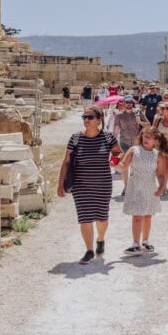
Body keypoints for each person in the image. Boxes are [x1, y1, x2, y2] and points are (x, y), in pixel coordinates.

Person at [58, 107, 122, 264]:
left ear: (99, 120)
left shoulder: (108, 137)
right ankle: (89, 250)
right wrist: (60, 184)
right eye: (84, 117)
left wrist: (115, 160)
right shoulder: (75, 138)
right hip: (81, 184)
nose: (86, 120)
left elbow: (118, 153)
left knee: (101, 217)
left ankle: (100, 239)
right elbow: (66, 161)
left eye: (90, 117)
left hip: (102, 184)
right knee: (85, 218)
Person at [119, 127, 168, 255]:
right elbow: (123, 166)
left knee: (147, 215)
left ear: (156, 141)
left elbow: (161, 175)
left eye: (149, 137)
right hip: (135, 186)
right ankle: (135, 244)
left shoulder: (157, 155)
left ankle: (145, 242)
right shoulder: (133, 150)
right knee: (137, 215)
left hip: (150, 187)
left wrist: (161, 187)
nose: (146, 139)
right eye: (144, 136)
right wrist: (114, 164)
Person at [113, 96, 144, 195]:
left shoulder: (138, 113)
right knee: (125, 166)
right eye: (127, 102)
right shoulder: (119, 116)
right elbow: (116, 131)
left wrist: (140, 122)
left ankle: (132, 186)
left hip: (136, 143)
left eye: (131, 102)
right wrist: (113, 144)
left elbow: (148, 125)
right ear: (123, 103)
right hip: (124, 143)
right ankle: (126, 187)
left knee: (135, 166)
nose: (129, 104)